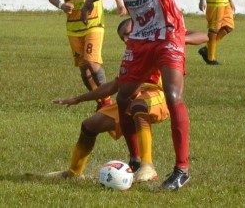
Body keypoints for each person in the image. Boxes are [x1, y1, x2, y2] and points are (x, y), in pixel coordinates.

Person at [81, 0, 243, 190]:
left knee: (173, 95)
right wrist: (92, 0)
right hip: (140, 39)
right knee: (123, 96)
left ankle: (182, 169)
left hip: (169, 32)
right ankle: (135, 159)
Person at [48, 19, 208, 182]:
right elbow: (115, 85)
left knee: (138, 106)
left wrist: (177, 39)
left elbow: (203, 36)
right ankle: (74, 172)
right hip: (132, 97)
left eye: (128, 33)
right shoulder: (133, 54)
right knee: (90, 125)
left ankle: (147, 166)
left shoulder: (161, 35)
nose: (126, 39)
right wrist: (78, 99)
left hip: (160, 95)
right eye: (122, 37)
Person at [48, 0, 126, 111]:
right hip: (73, 27)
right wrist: (61, 4)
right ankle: (100, 101)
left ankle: (107, 101)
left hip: (94, 23)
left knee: (92, 61)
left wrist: (120, 3)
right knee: (83, 68)